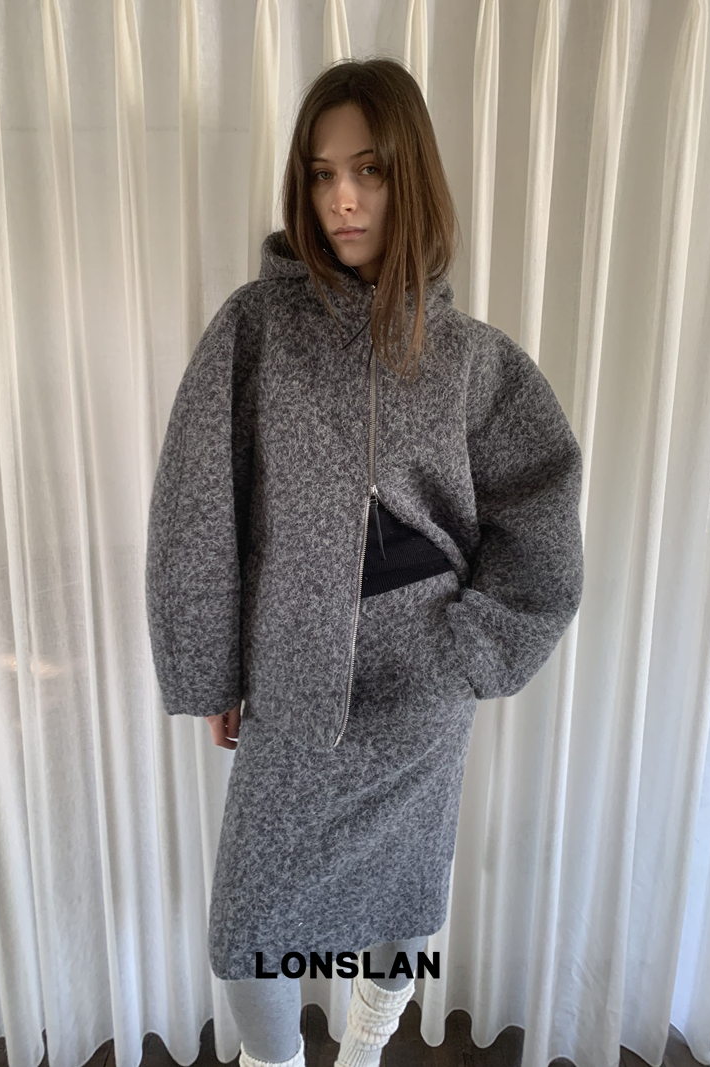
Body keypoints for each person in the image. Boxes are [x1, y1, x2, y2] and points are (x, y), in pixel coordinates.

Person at [144, 58, 584, 1067]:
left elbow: (540, 512)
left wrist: (472, 650)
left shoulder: (473, 358)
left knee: (403, 896)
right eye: (321, 173)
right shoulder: (255, 329)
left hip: (423, 685)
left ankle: (368, 1042)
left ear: (409, 176)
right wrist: (214, 668)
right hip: (294, 677)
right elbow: (198, 504)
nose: (342, 197)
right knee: (249, 922)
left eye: (369, 169)